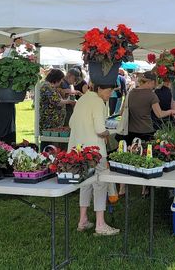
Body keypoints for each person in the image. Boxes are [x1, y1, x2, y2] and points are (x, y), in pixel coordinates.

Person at [69, 84, 120, 236]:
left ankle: (82, 220)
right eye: (109, 91)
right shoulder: (98, 102)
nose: (110, 94)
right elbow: (99, 129)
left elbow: (71, 123)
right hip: (95, 151)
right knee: (100, 185)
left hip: (78, 149)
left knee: (85, 184)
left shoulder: (83, 99)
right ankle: (100, 224)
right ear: (99, 89)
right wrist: (108, 134)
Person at [119, 71, 175, 144]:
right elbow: (159, 114)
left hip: (130, 131)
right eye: (154, 83)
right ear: (151, 82)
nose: (154, 86)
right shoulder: (151, 95)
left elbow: (121, 112)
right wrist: (171, 111)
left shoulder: (130, 93)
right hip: (146, 131)